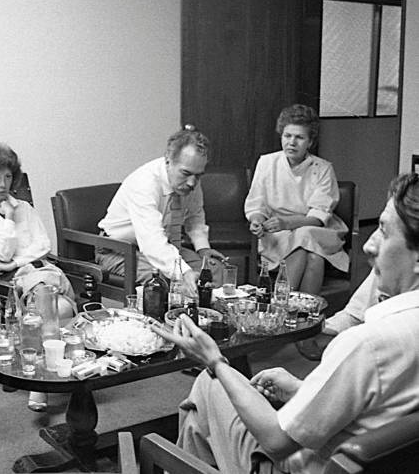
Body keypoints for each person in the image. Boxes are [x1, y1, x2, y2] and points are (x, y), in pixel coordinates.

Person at [157, 173, 419, 473]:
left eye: (384, 231)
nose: (369, 246)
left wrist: (214, 361)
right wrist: (303, 390)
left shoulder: (365, 345)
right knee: (200, 419)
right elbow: (378, 409)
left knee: (207, 385)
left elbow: (276, 440)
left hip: (293, 466)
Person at [0, 141, 73, 412]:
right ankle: (45, 379)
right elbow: (0, 253)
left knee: (54, 306)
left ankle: (40, 378)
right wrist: (9, 219)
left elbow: (43, 245)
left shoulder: (24, 206)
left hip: (37, 273)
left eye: (8, 176)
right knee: (58, 307)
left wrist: (16, 262)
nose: (3, 184)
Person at [96, 126, 225, 292]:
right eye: (185, 173)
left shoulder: (191, 181)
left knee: (213, 271)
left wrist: (203, 248)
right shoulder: (144, 183)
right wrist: (184, 273)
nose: (192, 183)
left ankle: (205, 308)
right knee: (163, 281)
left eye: (198, 175)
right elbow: (151, 240)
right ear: (168, 160)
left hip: (165, 246)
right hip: (118, 250)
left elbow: (195, 216)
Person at [245, 104, 348, 294]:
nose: (292, 142)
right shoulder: (267, 162)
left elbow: (318, 218)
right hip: (277, 233)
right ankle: (302, 309)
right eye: (287, 136)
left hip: (316, 231)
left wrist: (287, 223)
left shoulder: (323, 168)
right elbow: (256, 204)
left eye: (299, 137)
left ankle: (280, 304)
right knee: (314, 258)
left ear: (310, 142)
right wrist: (257, 221)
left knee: (304, 235)